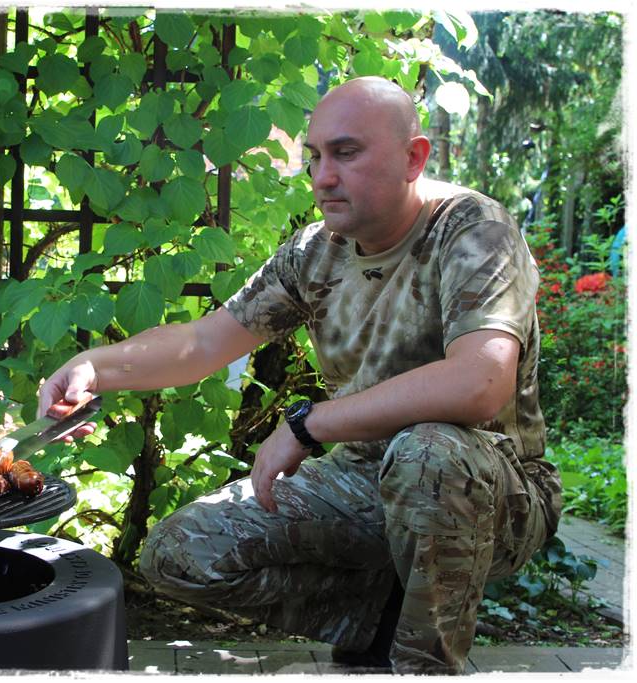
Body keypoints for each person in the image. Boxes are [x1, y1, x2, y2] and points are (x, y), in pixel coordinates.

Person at [37, 76, 562, 675]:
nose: (322, 177)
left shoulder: (473, 230)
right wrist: (91, 368)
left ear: (414, 157)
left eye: (346, 153)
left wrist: (308, 424)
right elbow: (204, 342)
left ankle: (426, 668)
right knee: (180, 552)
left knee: (426, 454)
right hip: (364, 478)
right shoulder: (316, 250)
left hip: (493, 489)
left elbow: (479, 383)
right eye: (314, 156)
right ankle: (379, 620)